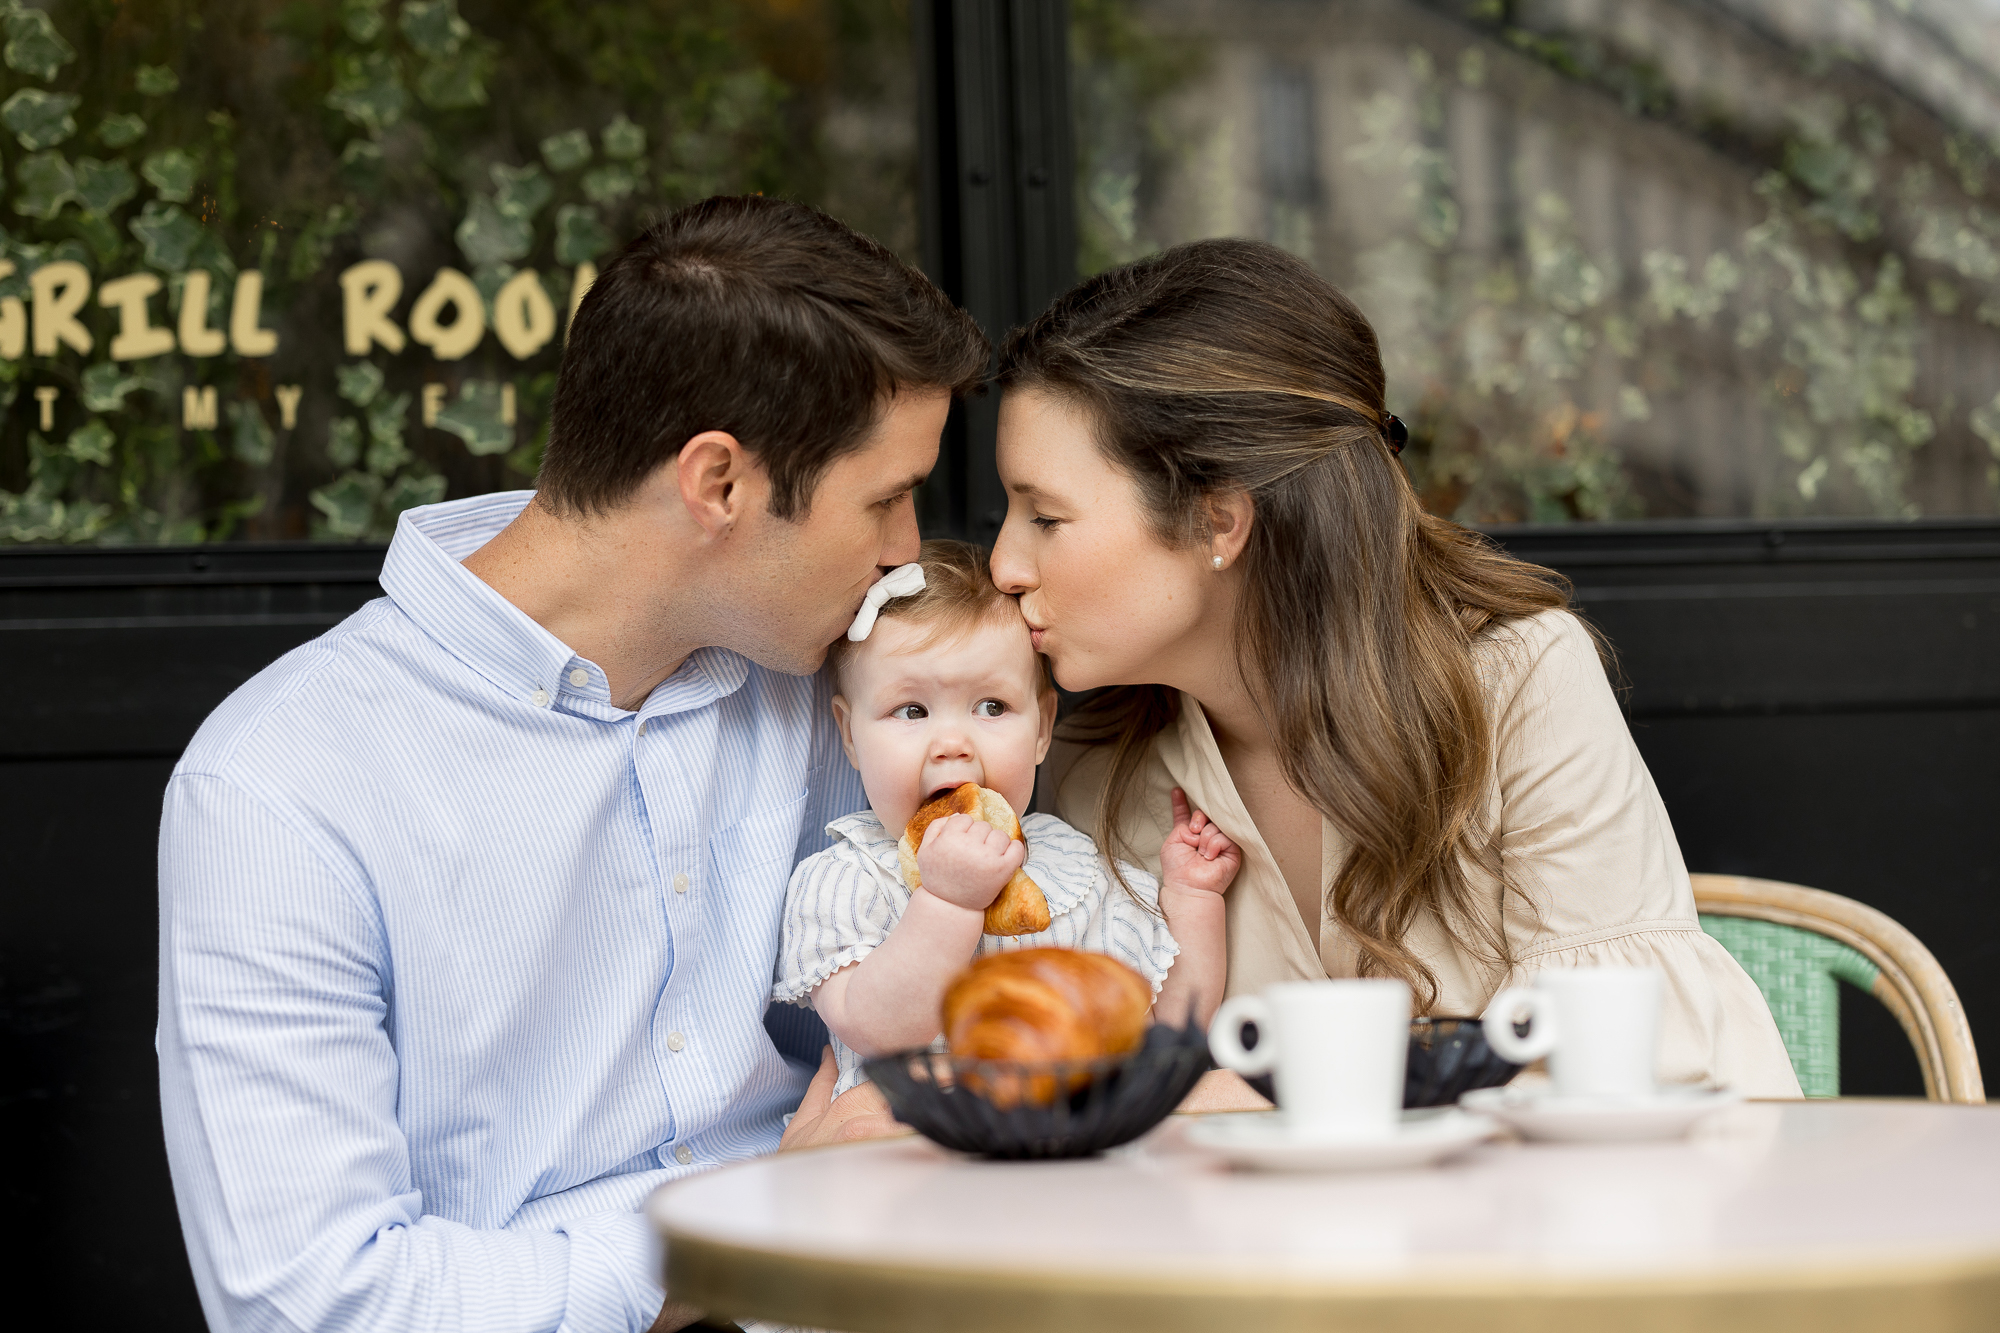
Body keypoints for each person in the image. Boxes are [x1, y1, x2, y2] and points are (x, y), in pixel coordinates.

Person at [156, 196, 989, 1333]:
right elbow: (312, 1304)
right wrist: (729, 1229)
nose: (907, 552)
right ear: (719, 484)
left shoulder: (831, 688)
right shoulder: (279, 787)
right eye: (884, 499)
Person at [988, 238, 1802, 1099]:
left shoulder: (1519, 684)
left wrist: (1251, 1104)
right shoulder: (1090, 776)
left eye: (1044, 515)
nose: (1004, 562)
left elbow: (1623, 1073)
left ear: (1217, 522)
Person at [771, 539, 1240, 1096]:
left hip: (1077, 1154)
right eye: (912, 711)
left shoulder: (1078, 868)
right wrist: (948, 901)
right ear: (850, 735)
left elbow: (1170, 1027)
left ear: (1042, 728)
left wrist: (1193, 900)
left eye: (992, 706)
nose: (952, 744)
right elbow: (880, 1030)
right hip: (920, 1159)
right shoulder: (848, 881)